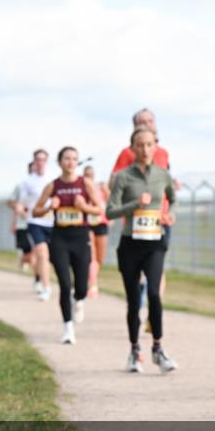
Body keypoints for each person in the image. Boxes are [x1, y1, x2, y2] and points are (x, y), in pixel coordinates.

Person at [106, 126, 178, 373]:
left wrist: (171, 214)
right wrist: (136, 204)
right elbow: (110, 211)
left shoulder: (163, 175)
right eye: (140, 145)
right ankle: (134, 350)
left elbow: (173, 198)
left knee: (155, 294)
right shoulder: (123, 177)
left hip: (155, 242)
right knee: (134, 300)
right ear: (132, 148)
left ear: (155, 147)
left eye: (149, 144)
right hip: (130, 244)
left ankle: (158, 348)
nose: (145, 149)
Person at [32, 147, 105, 344]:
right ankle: (68, 329)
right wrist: (49, 207)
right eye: (66, 158)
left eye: (74, 159)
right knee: (65, 284)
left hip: (80, 237)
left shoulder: (85, 183)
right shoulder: (53, 186)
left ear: (77, 162)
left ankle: (78, 300)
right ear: (60, 162)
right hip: (60, 238)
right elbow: (35, 212)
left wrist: (84, 207)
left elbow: (99, 209)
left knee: (81, 286)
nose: (70, 162)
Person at [110, 109, 175, 319]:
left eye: (150, 120)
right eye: (141, 121)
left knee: (158, 267)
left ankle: (153, 313)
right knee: (137, 274)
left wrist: (171, 209)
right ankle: (137, 307)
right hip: (135, 223)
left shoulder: (163, 152)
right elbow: (114, 181)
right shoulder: (127, 153)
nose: (147, 124)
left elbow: (166, 181)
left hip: (159, 218)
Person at [10, 151, 55, 299]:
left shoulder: (53, 179)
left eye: (43, 160)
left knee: (50, 257)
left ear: (47, 161)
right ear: (34, 162)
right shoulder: (27, 182)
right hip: (35, 222)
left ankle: (40, 278)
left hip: (52, 222)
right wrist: (20, 213)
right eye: (38, 160)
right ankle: (46, 286)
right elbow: (19, 203)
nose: (41, 162)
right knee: (42, 253)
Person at [82, 165, 110, 298]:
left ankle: (92, 279)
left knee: (100, 258)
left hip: (101, 224)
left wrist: (107, 191)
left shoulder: (100, 189)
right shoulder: (81, 188)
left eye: (91, 174)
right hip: (87, 224)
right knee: (91, 256)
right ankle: (93, 286)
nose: (89, 177)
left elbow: (112, 203)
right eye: (86, 174)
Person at [9, 162, 36, 274]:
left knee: (38, 252)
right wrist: (14, 223)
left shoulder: (45, 185)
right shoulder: (21, 186)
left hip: (38, 223)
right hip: (22, 224)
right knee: (29, 253)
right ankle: (22, 260)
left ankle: (38, 280)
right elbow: (12, 203)